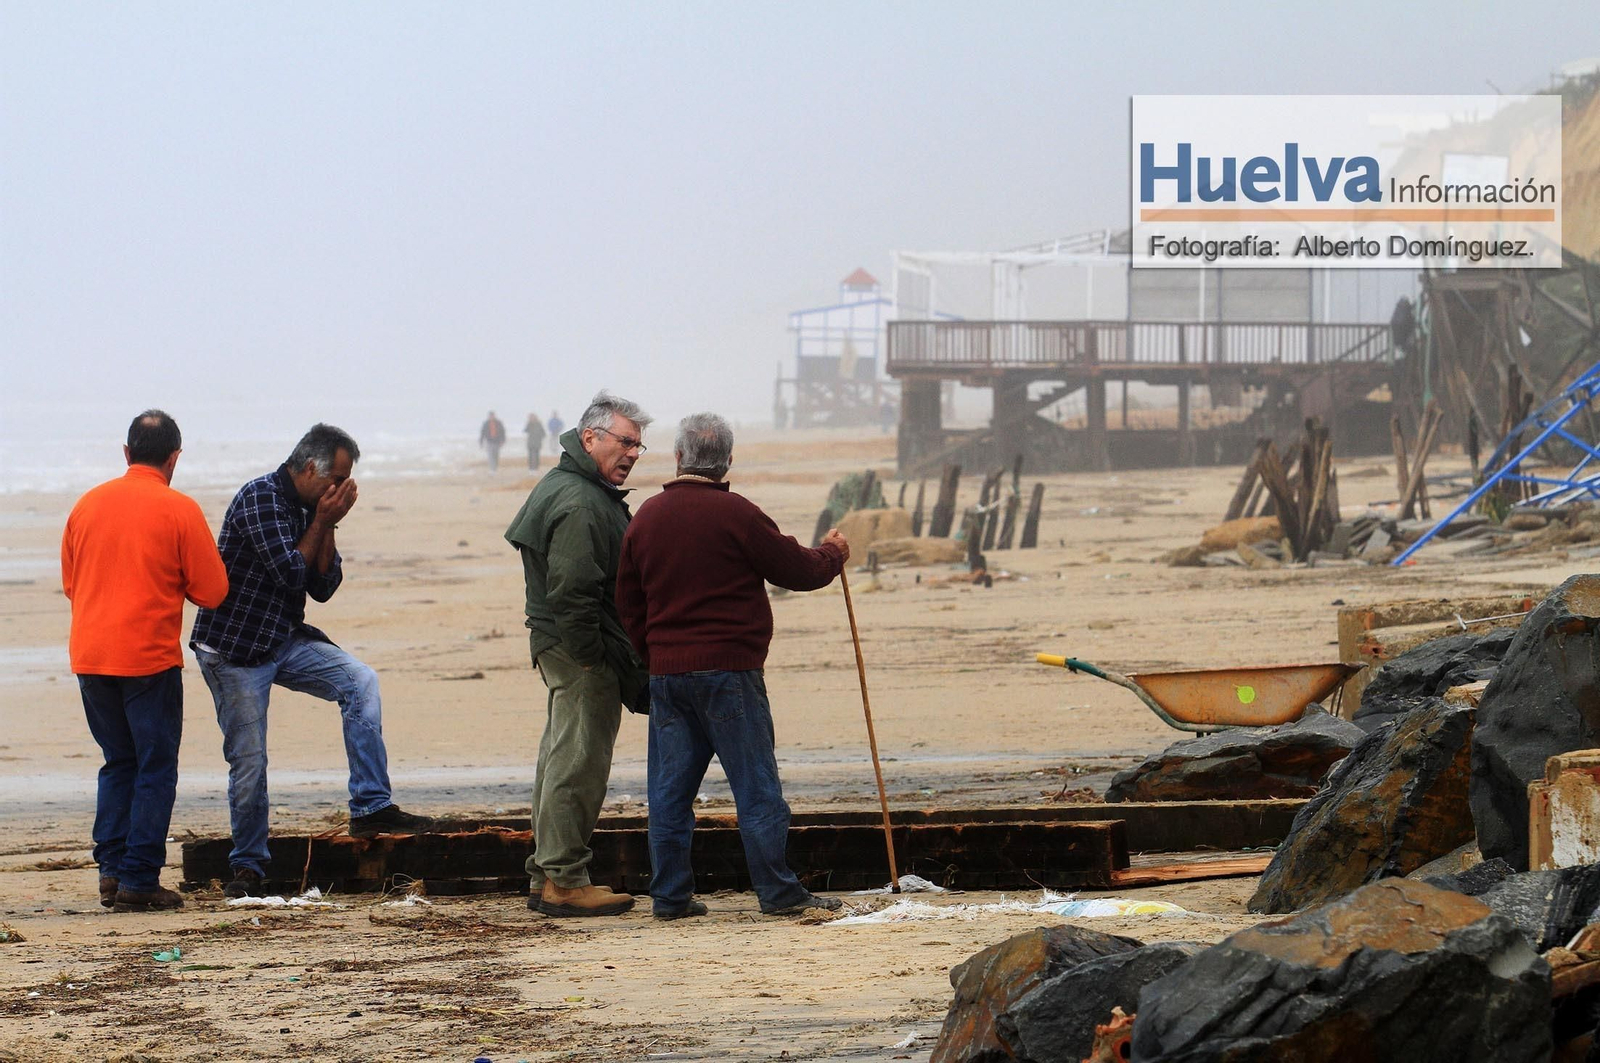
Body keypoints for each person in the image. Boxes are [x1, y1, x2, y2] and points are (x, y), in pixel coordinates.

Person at [616, 412, 850, 919]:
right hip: (731, 674)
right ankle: (779, 893)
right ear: (725, 462)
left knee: (670, 792)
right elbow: (798, 569)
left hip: (668, 675)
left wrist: (655, 656)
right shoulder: (739, 514)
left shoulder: (647, 517)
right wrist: (833, 554)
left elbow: (628, 602)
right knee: (756, 787)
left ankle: (671, 897)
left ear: (679, 458)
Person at [191, 424, 437, 899]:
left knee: (359, 682)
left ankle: (371, 806)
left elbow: (323, 587)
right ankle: (248, 867)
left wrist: (327, 521)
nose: (341, 489)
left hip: (281, 638)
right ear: (309, 468)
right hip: (234, 649)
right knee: (250, 759)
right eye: (337, 479)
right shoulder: (259, 498)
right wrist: (322, 522)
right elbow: (289, 573)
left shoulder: (312, 508)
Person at [61, 410, 229, 912]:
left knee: (118, 762)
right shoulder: (179, 509)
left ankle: (112, 871)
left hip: (90, 654)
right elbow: (214, 592)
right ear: (174, 458)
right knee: (155, 767)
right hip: (147, 658)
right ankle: (138, 878)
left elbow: (73, 585)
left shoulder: (86, 505)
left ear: (127, 453)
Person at [505, 391, 651, 917]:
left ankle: (547, 872)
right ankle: (565, 878)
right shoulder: (581, 501)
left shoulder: (571, 485)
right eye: (626, 441)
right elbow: (572, 590)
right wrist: (592, 656)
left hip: (560, 641)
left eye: (639, 444)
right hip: (577, 645)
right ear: (590, 438)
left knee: (559, 752)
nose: (634, 453)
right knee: (580, 759)